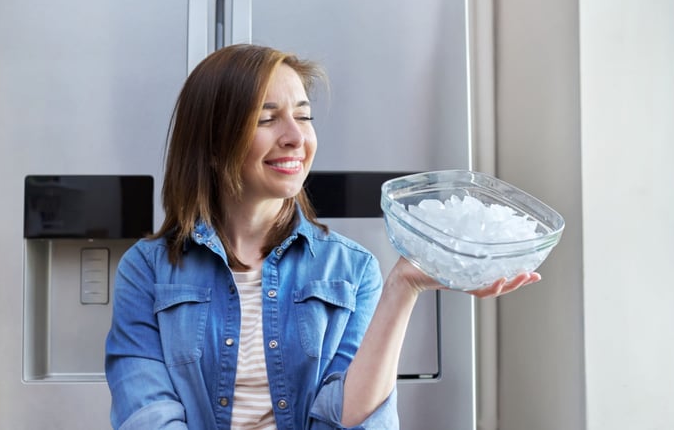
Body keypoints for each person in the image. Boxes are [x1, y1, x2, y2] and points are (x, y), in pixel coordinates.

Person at [104, 43, 540, 430]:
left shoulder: (352, 270)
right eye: (267, 119)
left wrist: (404, 286)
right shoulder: (147, 271)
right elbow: (146, 415)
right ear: (215, 145)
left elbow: (353, 421)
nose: (296, 138)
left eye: (303, 117)